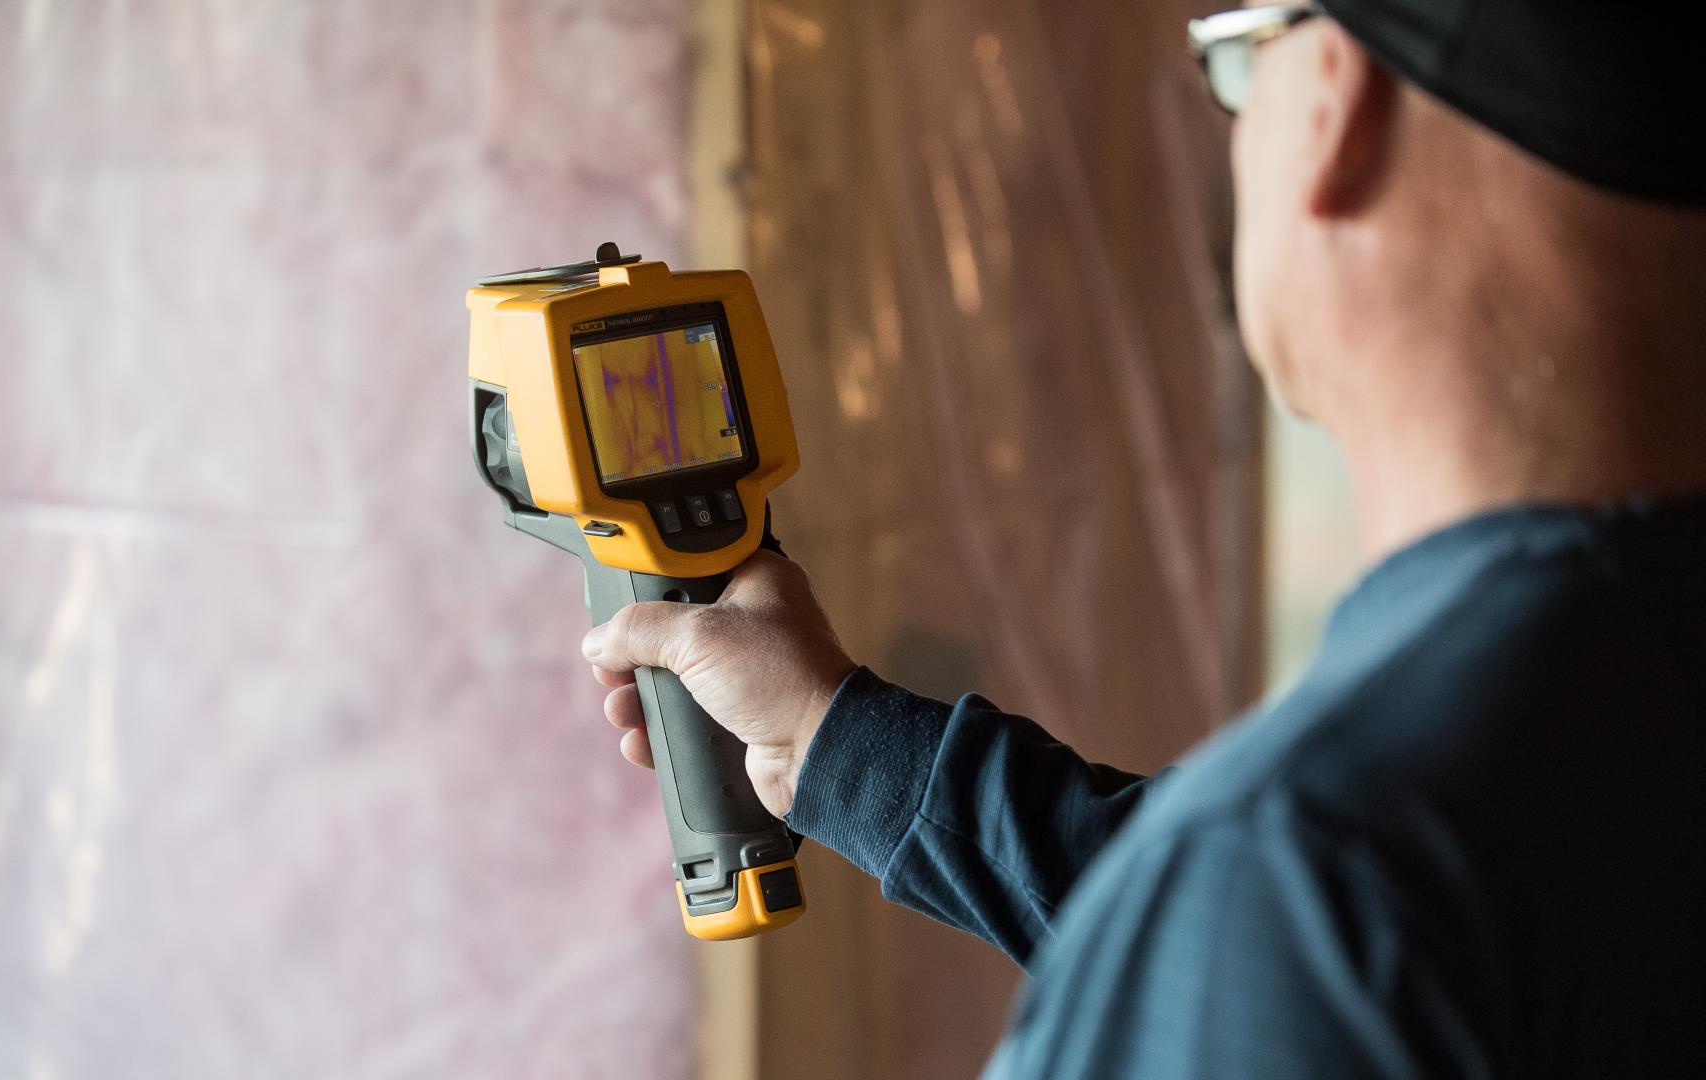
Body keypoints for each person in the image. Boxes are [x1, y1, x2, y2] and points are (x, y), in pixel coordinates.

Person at [584, 1, 1706, 1075]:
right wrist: (835, 741)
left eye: (1240, 59)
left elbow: (1287, 930)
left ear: (1331, 101)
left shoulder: (1309, 867)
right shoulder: (1550, 741)